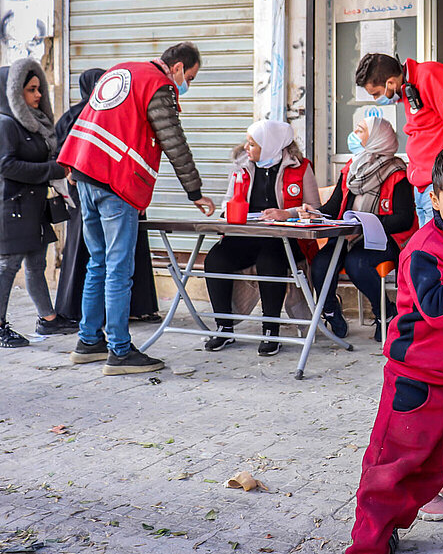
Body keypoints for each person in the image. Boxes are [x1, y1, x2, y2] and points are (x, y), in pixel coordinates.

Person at [346, 141, 443, 554]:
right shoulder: (426, 249)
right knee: (391, 468)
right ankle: (368, 545)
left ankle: (391, 527)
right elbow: (436, 308)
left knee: (433, 469)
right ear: (434, 199)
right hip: (415, 379)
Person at [58, 42, 216, 375]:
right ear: (176, 68)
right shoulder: (157, 84)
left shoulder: (122, 70)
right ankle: (119, 350)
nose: (186, 85)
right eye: (190, 76)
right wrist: (195, 192)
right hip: (115, 180)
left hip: (84, 172)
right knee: (118, 267)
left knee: (98, 262)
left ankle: (88, 341)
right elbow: (172, 139)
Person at [54, 69, 163, 324]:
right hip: (113, 192)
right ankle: (118, 344)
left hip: (89, 192)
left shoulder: (85, 116)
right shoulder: (100, 115)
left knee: (97, 262)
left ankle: (89, 335)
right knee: (116, 266)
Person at [203, 119, 319, 356]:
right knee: (215, 259)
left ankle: (270, 330)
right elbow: (228, 202)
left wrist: (287, 213)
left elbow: (315, 210)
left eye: (253, 144)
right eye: (247, 143)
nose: (247, 148)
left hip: (287, 240)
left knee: (270, 259)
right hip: (249, 236)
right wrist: (231, 212)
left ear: (270, 145)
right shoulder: (242, 166)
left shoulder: (300, 167)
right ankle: (223, 327)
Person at [304, 116, 416, 342]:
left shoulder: (397, 174)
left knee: (358, 264)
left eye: (361, 130)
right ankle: (331, 311)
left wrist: (367, 224)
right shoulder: (351, 169)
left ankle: (384, 313)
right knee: (320, 265)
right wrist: (314, 214)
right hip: (347, 237)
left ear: (377, 137)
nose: (354, 133)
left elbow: (404, 219)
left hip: (382, 241)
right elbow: (333, 207)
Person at [0, 58, 78, 346]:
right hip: (13, 209)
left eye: (38, 89)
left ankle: (48, 319)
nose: (38, 95)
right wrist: (52, 170)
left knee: (35, 264)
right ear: (13, 93)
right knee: (8, 266)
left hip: (34, 208)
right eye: (31, 90)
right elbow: (6, 166)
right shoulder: (6, 124)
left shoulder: (32, 124)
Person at [355, 53, 443, 226]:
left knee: (433, 251)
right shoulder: (408, 88)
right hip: (422, 187)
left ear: (390, 82)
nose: (376, 99)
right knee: (424, 249)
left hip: (439, 184)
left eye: (376, 93)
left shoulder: (430, 75)